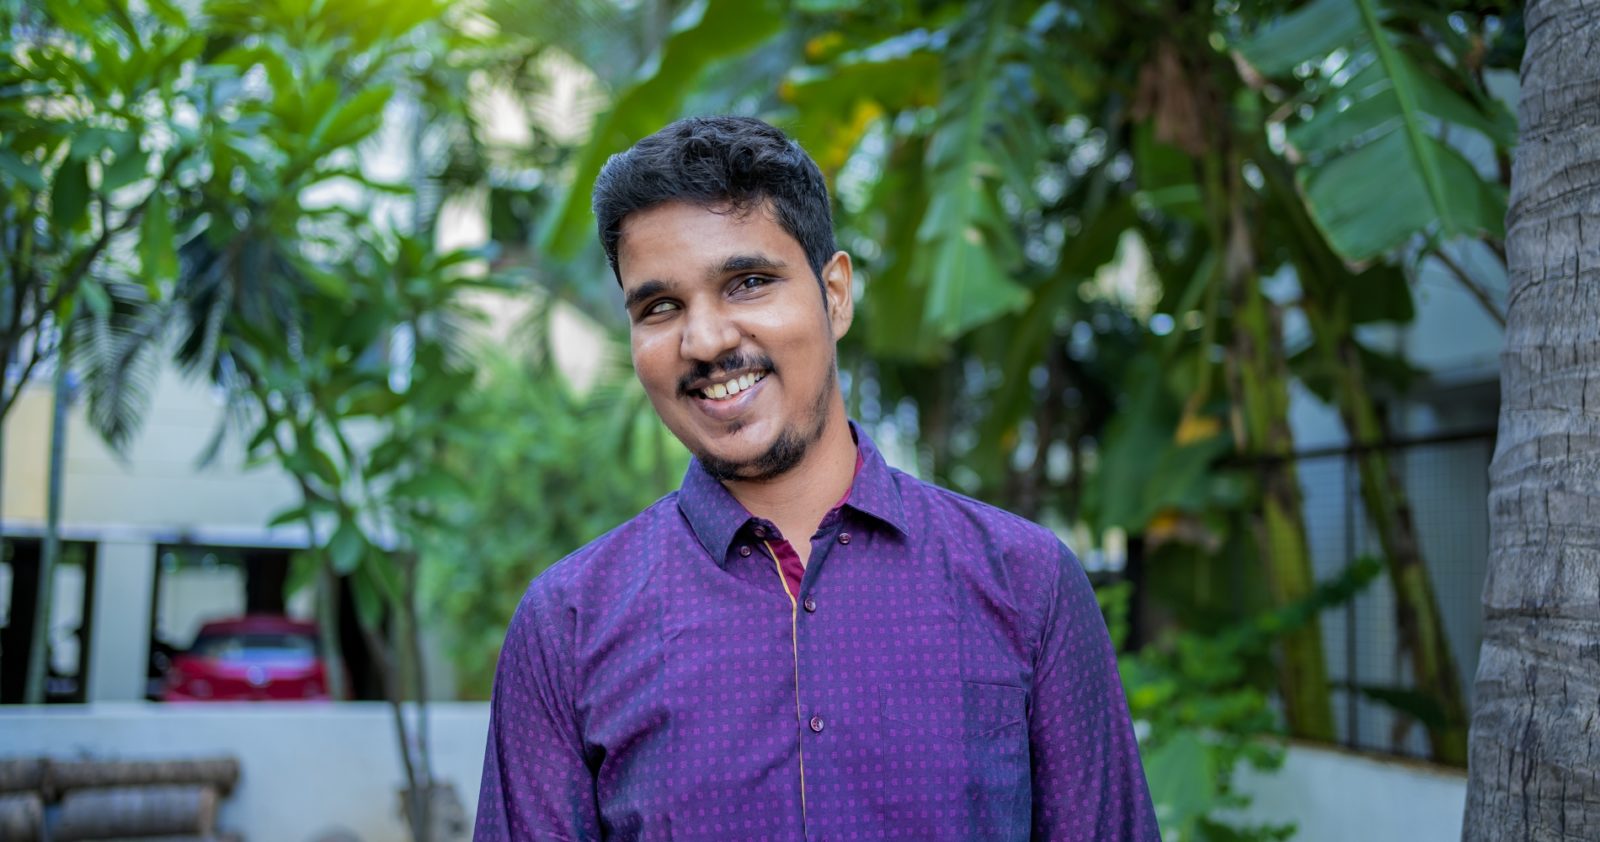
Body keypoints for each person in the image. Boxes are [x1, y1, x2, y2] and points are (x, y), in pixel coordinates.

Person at [474, 115, 1161, 841]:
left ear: (835, 294)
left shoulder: (1027, 585)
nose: (704, 340)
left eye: (747, 283)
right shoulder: (568, 625)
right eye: (660, 306)